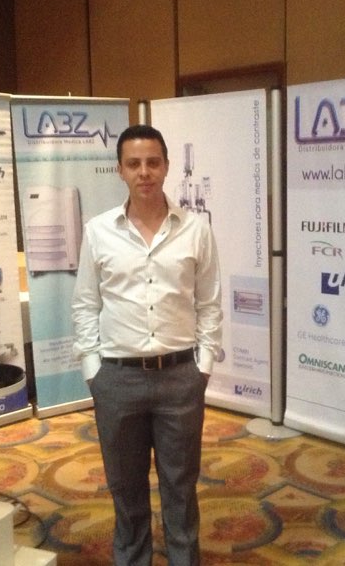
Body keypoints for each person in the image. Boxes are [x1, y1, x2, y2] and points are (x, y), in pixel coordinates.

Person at [71, 124, 223, 565]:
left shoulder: (195, 229)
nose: (144, 172)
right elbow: (85, 304)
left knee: (181, 488)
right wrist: (93, 371)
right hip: (117, 380)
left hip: (180, 379)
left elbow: (209, 303)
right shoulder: (98, 231)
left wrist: (203, 366)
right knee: (126, 490)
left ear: (167, 167)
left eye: (153, 163)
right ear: (120, 170)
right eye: (134, 164)